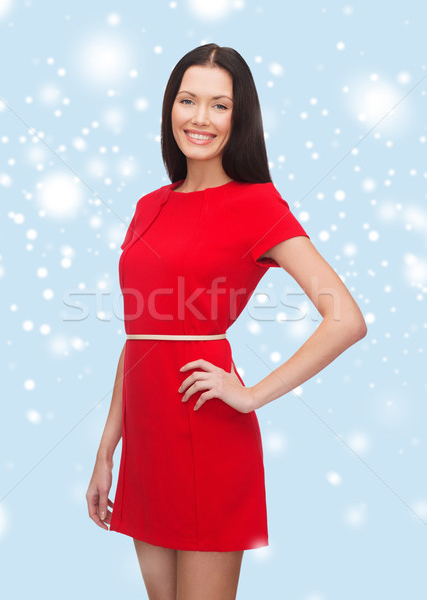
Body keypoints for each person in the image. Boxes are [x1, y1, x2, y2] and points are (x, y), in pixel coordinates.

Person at [86, 43, 367, 600]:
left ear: (240, 117)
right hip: (147, 441)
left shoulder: (257, 204)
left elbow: (346, 319)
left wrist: (252, 395)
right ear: (170, 108)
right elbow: (140, 336)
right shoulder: (149, 205)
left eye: (219, 105)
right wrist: (105, 450)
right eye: (188, 100)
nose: (200, 118)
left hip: (206, 429)